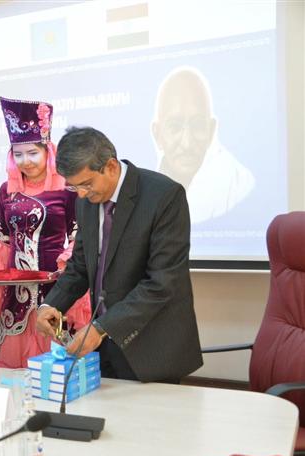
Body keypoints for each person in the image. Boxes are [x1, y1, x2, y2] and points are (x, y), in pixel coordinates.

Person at [36, 126, 203, 383]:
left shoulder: (164, 196)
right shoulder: (85, 202)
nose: (81, 194)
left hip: (152, 344)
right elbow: (80, 265)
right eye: (74, 187)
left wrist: (102, 327)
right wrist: (51, 305)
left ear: (111, 167)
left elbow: (162, 282)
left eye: (86, 184)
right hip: (104, 348)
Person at [0, 97, 91, 369]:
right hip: (18, 296)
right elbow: (2, 242)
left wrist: (66, 263)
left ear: (48, 151)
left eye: (32, 153)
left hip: (55, 289)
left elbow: (78, 239)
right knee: (14, 371)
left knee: (55, 368)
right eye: (18, 154)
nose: (25, 161)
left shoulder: (66, 189)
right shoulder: (7, 191)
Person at [151, 67, 254, 223]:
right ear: (157, 135)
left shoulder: (238, 186)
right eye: (174, 127)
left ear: (211, 131)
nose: (187, 144)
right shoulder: (146, 192)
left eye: (197, 126)